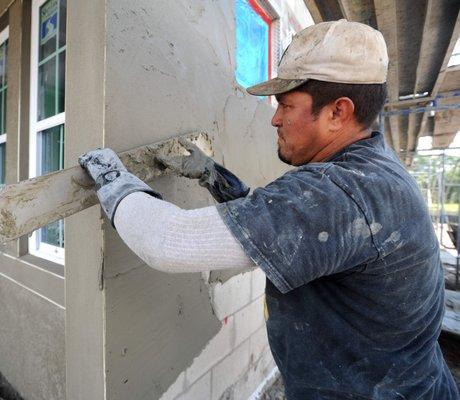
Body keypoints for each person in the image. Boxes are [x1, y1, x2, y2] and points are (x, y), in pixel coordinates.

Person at [79, 20, 460, 400]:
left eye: (286, 105)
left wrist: (115, 181)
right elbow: (289, 231)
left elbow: (167, 242)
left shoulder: (339, 192)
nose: (275, 118)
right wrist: (215, 177)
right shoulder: (373, 173)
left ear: (337, 113)